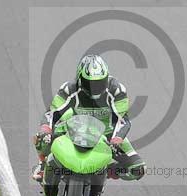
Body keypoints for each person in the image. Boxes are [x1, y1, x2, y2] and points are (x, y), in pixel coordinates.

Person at [32, 54, 146, 183]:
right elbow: (51, 113)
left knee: (138, 169)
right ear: (80, 79)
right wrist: (46, 130)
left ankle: (106, 171)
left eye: (99, 82)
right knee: (42, 138)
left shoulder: (117, 90)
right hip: (73, 128)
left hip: (107, 134)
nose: (94, 88)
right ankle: (42, 165)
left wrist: (116, 140)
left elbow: (122, 120)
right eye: (89, 83)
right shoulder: (69, 89)